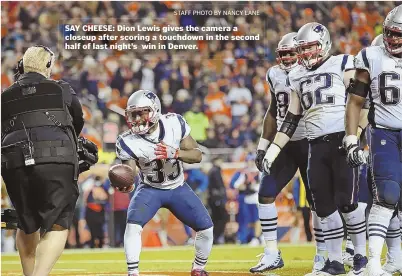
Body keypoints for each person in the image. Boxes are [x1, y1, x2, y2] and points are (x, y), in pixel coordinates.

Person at [263, 23, 368, 275]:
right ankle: (333, 262)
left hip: (342, 141)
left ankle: (361, 257)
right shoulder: (296, 75)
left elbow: (361, 103)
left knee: (347, 202)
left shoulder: (343, 63)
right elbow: (291, 117)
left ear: (324, 44)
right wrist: (272, 150)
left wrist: (356, 136)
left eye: (311, 47)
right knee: (323, 206)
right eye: (303, 49)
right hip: (315, 145)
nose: (307, 53)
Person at [1, 45, 87, 276]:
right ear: (48, 65)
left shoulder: (5, 95)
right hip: (56, 160)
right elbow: (77, 121)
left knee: (25, 222)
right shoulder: (61, 89)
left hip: (14, 163)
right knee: (59, 221)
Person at [114, 90, 213, 276]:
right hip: (150, 189)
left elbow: (197, 155)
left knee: (206, 229)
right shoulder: (127, 141)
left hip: (177, 187)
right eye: (133, 114)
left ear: (155, 110)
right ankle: (133, 273)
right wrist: (127, 184)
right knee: (133, 226)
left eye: (141, 112)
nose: (136, 119)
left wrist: (176, 153)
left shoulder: (175, 123)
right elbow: (131, 172)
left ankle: (198, 268)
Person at [250, 32, 326, 274]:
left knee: (317, 202)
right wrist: (263, 145)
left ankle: (323, 254)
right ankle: (272, 253)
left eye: (291, 53)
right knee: (265, 193)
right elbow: (273, 110)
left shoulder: (311, 72)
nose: (286, 58)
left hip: (311, 140)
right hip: (284, 143)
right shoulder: (273, 74)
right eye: (282, 54)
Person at [344, 6, 402, 275]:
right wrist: (351, 137)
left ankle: (396, 260)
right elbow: (355, 101)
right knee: (387, 194)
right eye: (390, 33)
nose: (393, 39)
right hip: (384, 133)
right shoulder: (371, 56)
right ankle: (374, 264)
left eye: (399, 34)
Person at [207, 157, 229, 245]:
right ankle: (216, 237)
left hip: (214, 198)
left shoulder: (213, 170)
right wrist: (222, 196)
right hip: (217, 199)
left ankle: (215, 237)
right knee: (221, 217)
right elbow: (219, 186)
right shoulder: (215, 171)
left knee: (216, 218)